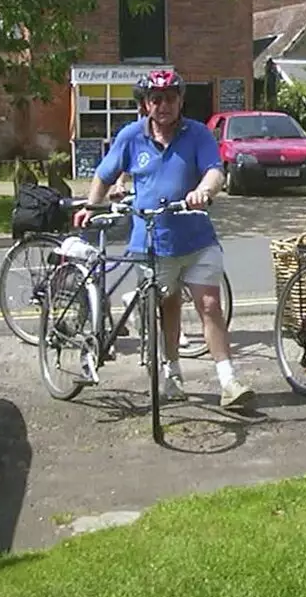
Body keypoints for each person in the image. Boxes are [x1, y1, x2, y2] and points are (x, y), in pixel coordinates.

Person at [74, 69, 253, 408]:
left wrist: (203, 190)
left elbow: (215, 171)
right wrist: (91, 206)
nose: (163, 105)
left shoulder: (197, 134)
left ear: (180, 100)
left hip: (197, 238)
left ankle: (229, 382)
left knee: (210, 305)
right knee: (167, 307)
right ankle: (172, 372)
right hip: (151, 243)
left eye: (170, 98)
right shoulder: (131, 136)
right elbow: (104, 173)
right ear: (145, 104)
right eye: (156, 99)